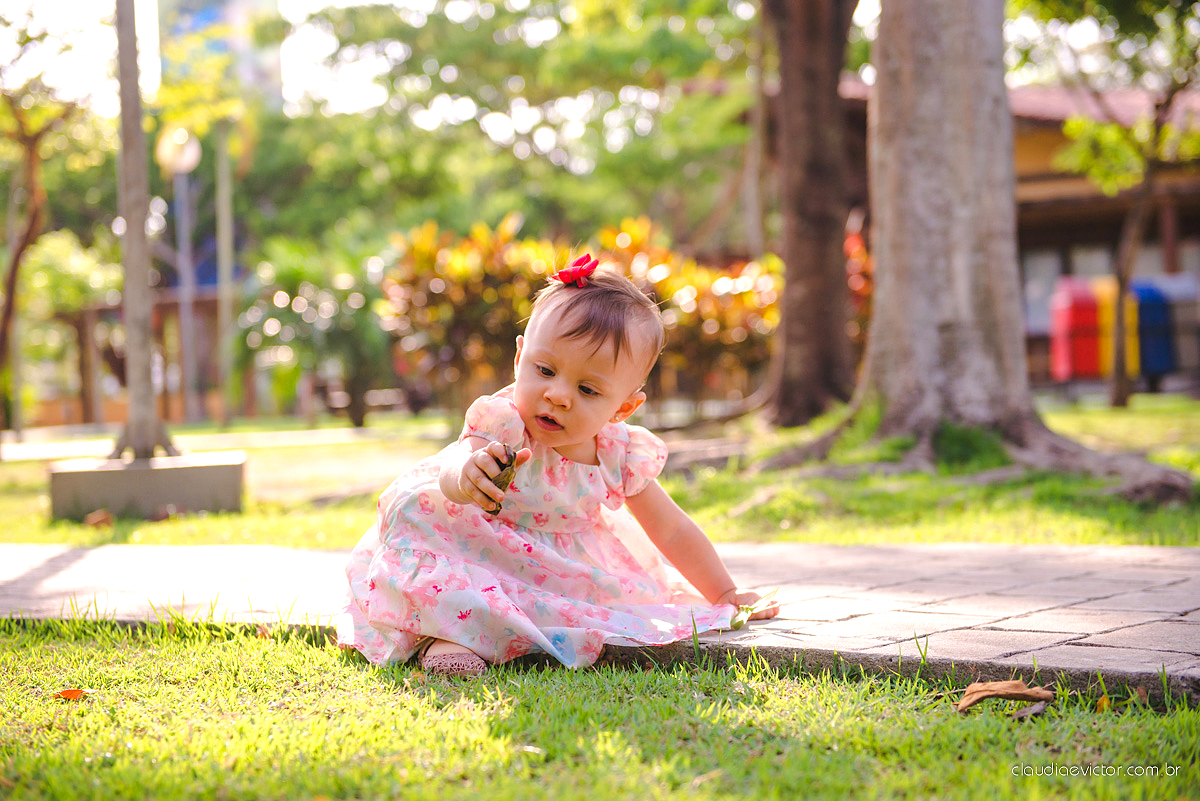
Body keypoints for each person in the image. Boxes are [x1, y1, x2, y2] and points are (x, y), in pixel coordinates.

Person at [337, 253, 780, 677]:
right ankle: (446, 639)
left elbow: (672, 529)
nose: (558, 395)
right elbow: (456, 462)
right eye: (545, 370)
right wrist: (466, 476)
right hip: (477, 540)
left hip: (556, 566)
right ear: (519, 358)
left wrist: (723, 592)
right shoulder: (504, 422)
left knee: (576, 607)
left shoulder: (618, 453)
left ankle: (486, 636)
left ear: (623, 407)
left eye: (588, 390)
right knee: (451, 581)